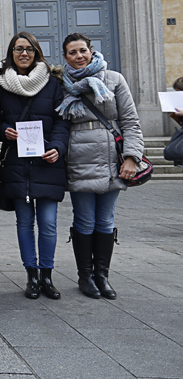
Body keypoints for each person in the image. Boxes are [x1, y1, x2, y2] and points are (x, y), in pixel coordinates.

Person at [58, 33, 144, 300]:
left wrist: (132, 157)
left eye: (82, 50)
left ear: (92, 52)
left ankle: (102, 275)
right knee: (84, 219)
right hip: (78, 157)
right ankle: (85, 276)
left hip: (110, 157)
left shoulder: (114, 79)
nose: (78, 56)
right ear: (65, 57)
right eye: (72, 52)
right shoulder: (60, 84)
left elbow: (130, 121)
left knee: (105, 219)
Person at [0, 32, 69, 300]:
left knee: (48, 223)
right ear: (11, 52)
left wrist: (57, 147)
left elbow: (62, 120)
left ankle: (47, 275)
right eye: (18, 49)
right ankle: (31, 276)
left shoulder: (53, 83)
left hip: (47, 162)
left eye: (29, 49)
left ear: (37, 53)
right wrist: (4, 130)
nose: (24, 53)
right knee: (24, 222)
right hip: (17, 163)